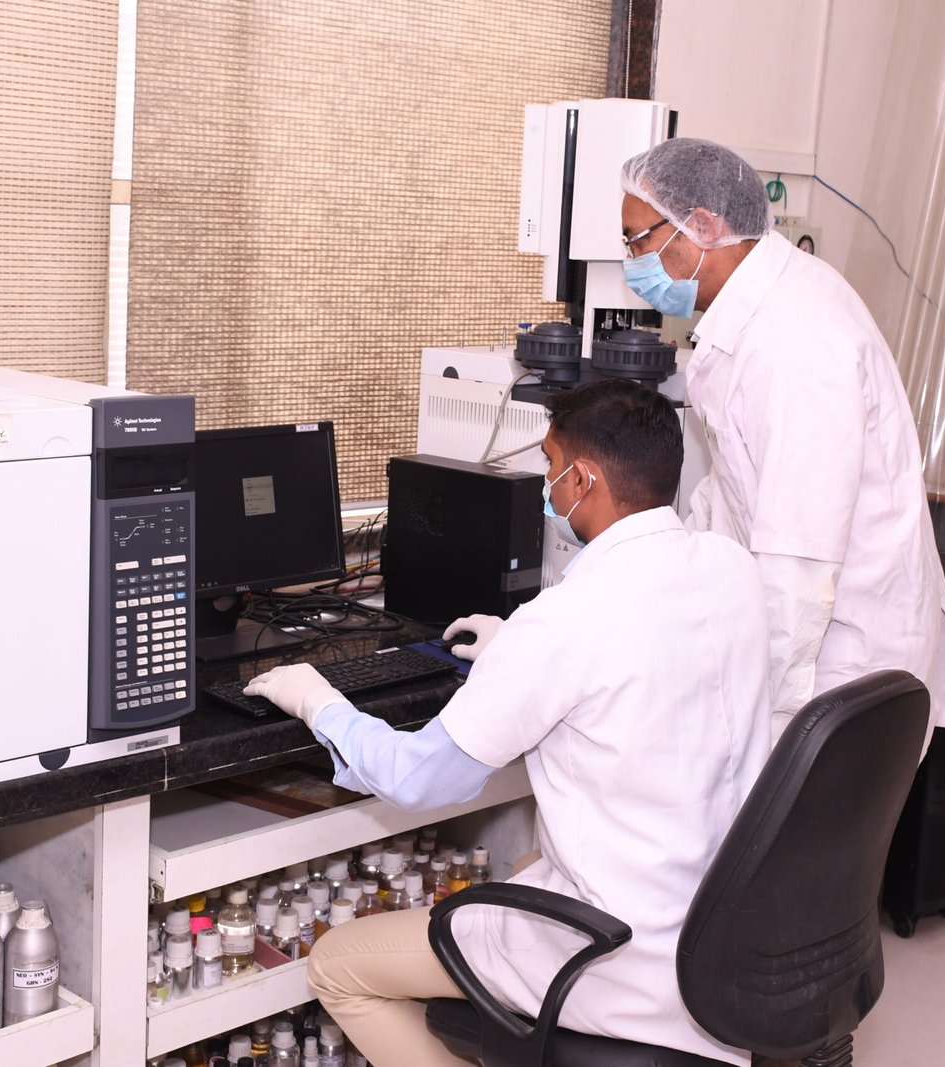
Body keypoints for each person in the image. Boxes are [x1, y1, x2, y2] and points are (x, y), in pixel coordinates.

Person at [243, 379, 773, 1067]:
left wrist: (319, 702)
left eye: (551, 465)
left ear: (583, 479)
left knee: (337, 964)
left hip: (615, 961)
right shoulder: (731, 567)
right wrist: (514, 651)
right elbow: (661, 667)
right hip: (720, 935)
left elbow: (417, 778)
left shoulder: (566, 620)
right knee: (522, 866)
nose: (548, 487)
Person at [619, 137, 945, 747]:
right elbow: (733, 490)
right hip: (817, 653)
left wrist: (761, 729)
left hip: (837, 668)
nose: (632, 262)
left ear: (701, 226)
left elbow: (797, 566)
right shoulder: (762, 311)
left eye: (638, 240)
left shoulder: (795, 342)